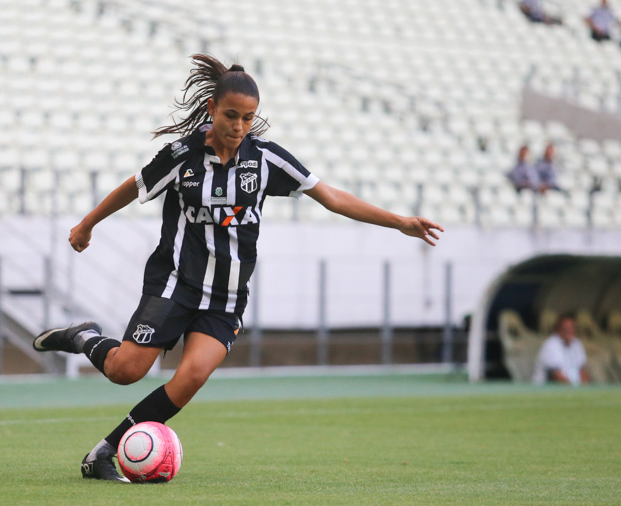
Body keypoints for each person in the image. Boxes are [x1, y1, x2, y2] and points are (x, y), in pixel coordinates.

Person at [33, 54, 444, 482]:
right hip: (174, 283)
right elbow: (132, 188)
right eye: (231, 115)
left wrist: (402, 222)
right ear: (211, 108)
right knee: (125, 371)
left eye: (248, 118)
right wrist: (86, 225)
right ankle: (84, 337)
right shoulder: (181, 156)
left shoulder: (265, 160)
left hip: (226, 297)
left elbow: (332, 198)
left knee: (191, 375)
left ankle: (106, 451)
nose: (239, 126)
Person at [532, 312, 590, 385]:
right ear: (558, 329)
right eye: (565, 328)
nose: (568, 331)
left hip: (571, 389)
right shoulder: (550, 344)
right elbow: (556, 376)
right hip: (548, 390)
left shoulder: (577, 343)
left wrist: (584, 386)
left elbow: (582, 371)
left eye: (571, 327)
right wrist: (575, 390)